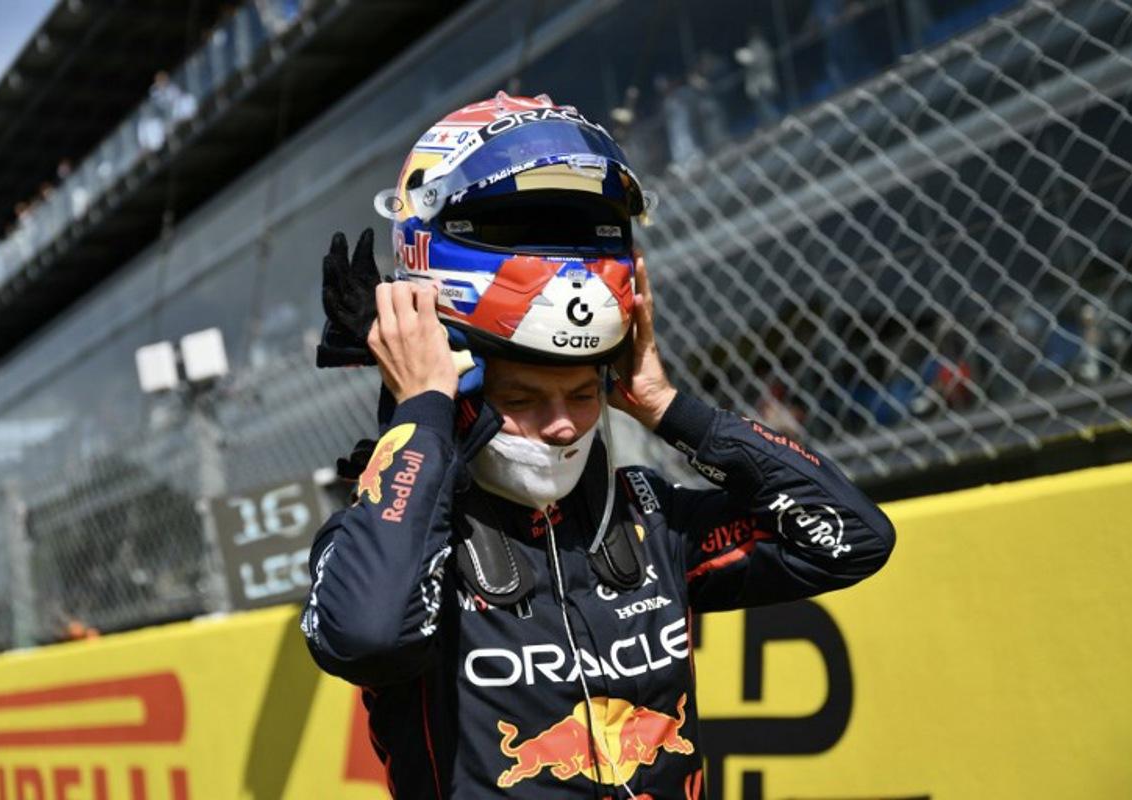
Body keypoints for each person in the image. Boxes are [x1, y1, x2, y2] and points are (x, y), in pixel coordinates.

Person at [302, 92, 895, 799]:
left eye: (584, 396)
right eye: (521, 399)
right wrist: (421, 410)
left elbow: (854, 538)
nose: (561, 425)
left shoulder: (651, 519)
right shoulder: (393, 541)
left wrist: (671, 409)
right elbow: (367, 637)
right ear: (463, 391)